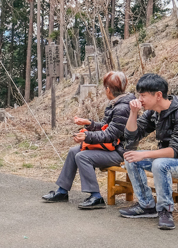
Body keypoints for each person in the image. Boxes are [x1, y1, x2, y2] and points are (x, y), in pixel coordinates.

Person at [119, 73, 178, 230]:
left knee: (160, 164)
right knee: (131, 157)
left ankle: (165, 210)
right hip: (170, 159)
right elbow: (132, 136)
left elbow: (175, 151)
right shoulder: (154, 112)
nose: (140, 99)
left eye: (143, 95)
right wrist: (133, 113)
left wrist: (144, 154)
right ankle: (147, 205)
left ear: (158, 95)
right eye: (139, 95)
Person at [42, 71, 134, 209]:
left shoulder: (122, 108)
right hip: (111, 147)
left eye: (105, 88)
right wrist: (89, 123)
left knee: (83, 156)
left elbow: (110, 134)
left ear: (108, 90)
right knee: (74, 151)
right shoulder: (115, 103)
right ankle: (62, 191)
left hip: (121, 151)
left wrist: (87, 136)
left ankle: (96, 196)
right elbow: (105, 127)